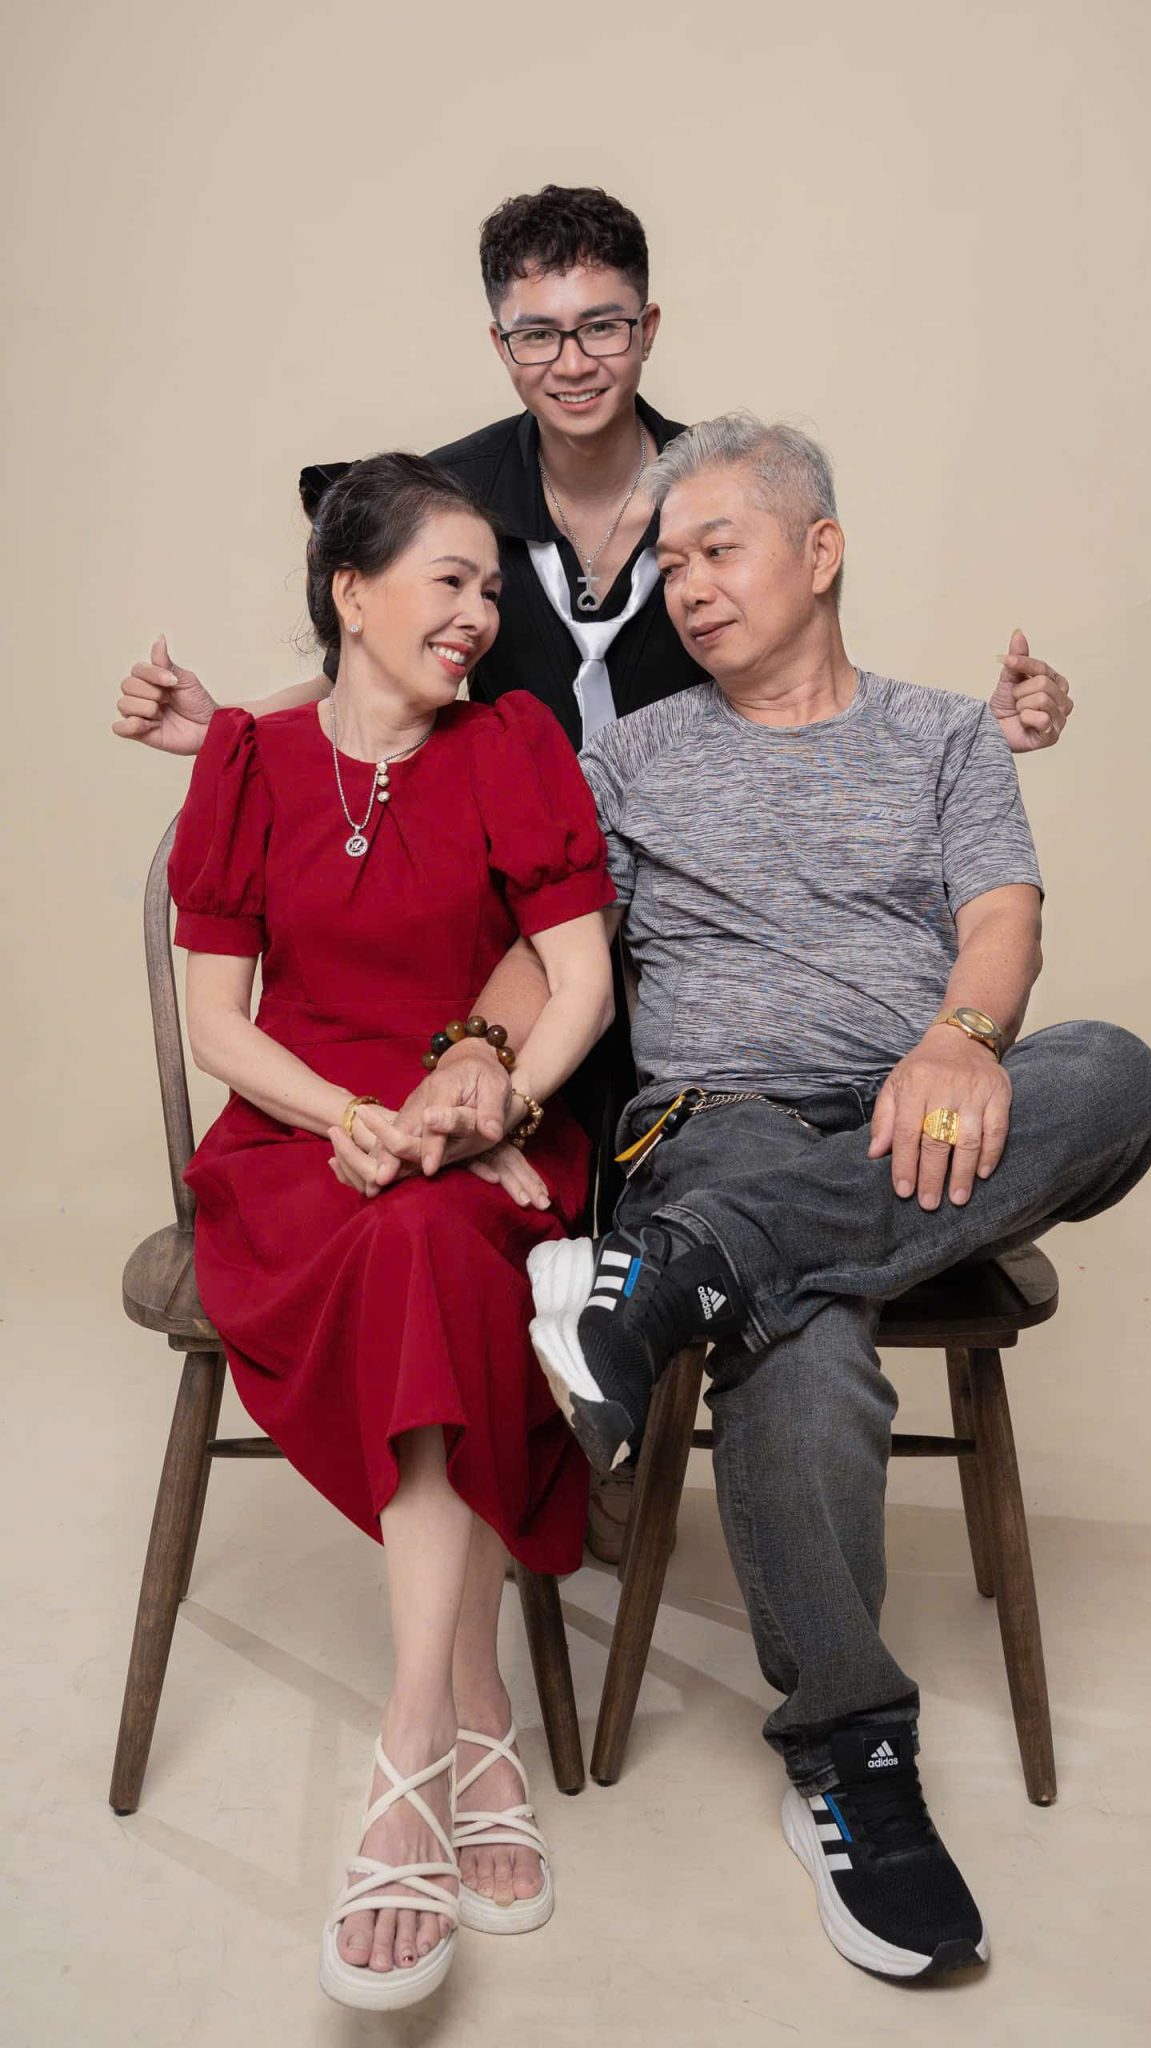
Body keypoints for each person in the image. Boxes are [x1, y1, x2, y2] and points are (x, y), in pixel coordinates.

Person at [113, 183, 1075, 1560]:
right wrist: (237, 737)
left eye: (602, 326)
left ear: (648, 326)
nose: (572, 359)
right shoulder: (452, 495)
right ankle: (585, 1404)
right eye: (538, 333)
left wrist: (983, 735)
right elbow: (373, 653)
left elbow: (814, 680)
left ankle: (653, 1299)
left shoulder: (716, 484)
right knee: (554, 1060)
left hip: (687, 904)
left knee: (701, 1062)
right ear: (499, 342)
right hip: (515, 904)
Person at [526, 415, 1151, 1982]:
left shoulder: (945, 736)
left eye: (718, 550)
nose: (688, 587)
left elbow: (1003, 922)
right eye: (669, 563)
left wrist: (962, 1038)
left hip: (926, 1110)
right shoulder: (629, 757)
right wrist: (479, 1064)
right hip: (721, 1123)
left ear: (819, 553)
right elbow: (556, 954)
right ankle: (855, 1757)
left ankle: (682, 1277)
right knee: (806, 1352)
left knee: (1118, 1072)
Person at [167, 451, 615, 2012]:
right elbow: (218, 1023)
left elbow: (579, 981)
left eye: (493, 587)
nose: (480, 614)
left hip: (479, 1132)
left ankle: (409, 1742)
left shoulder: (513, 745)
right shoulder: (246, 760)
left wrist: (499, 1103)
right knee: (413, 1248)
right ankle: (474, 1717)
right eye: (451, 582)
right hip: (297, 1145)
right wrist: (342, 1117)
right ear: (351, 594)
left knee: (434, 1242)